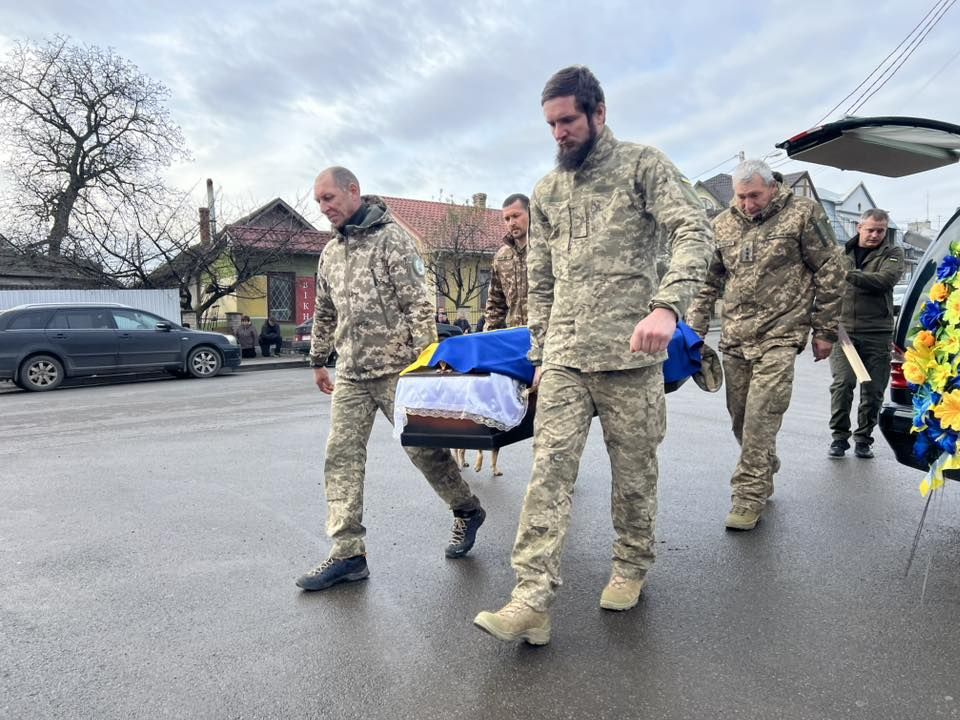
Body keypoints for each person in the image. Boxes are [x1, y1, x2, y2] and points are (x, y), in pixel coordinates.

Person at [473, 66, 714, 645]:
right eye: (550, 124)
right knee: (548, 474)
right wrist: (538, 351)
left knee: (634, 474)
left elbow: (695, 231)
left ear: (598, 113)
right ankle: (531, 598)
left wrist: (668, 308)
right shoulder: (548, 191)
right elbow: (544, 278)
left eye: (568, 120)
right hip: (565, 359)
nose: (558, 133)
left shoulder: (643, 166)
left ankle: (631, 564)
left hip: (631, 358)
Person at [295, 166, 486, 592]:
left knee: (424, 452)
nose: (324, 209)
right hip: (352, 374)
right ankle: (348, 554)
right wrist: (318, 359)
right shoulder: (330, 254)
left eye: (329, 199)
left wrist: (426, 369)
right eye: (319, 202)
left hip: (398, 371)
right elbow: (325, 312)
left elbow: (419, 307)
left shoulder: (392, 240)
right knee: (340, 455)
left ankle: (467, 509)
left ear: (353, 191)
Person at [687, 159, 844, 531]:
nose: (747, 204)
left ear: (772, 187)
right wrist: (692, 332)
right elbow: (708, 282)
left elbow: (831, 270)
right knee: (740, 418)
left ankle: (747, 497)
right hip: (735, 337)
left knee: (760, 418)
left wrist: (824, 330)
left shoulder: (802, 213)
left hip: (782, 334)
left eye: (754, 195)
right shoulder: (722, 224)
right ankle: (764, 463)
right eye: (740, 197)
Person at [828, 209, 904, 459]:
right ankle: (839, 438)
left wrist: (847, 275)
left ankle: (863, 438)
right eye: (870, 229)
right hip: (844, 332)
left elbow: (883, 281)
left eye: (880, 230)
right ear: (859, 227)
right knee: (843, 384)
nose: (874, 235)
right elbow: (827, 287)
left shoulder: (893, 253)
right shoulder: (842, 254)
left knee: (873, 390)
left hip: (877, 333)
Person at [484, 193, 531, 329]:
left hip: (550, 335)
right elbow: (495, 303)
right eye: (507, 218)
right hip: (517, 336)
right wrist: (489, 338)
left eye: (516, 216)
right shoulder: (501, 256)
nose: (512, 223)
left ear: (530, 213)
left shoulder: (547, 248)